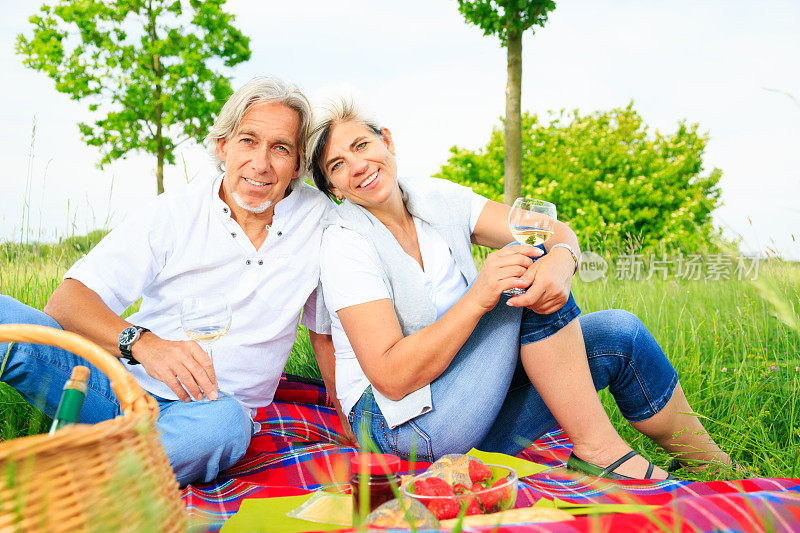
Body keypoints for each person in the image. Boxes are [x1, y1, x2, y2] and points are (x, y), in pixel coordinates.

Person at [306, 95, 734, 480]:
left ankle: (714, 466)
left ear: (386, 141)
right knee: (519, 278)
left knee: (619, 334)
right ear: (333, 188)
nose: (357, 166)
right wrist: (480, 295)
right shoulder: (345, 243)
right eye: (337, 166)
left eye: (361, 146)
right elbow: (391, 378)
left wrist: (563, 262)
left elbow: (553, 232)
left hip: (468, 396)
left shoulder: (437, 198)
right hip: (400, 425)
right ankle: (600, 452)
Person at [0, 76, 351, 486]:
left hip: (209, 412)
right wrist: (143, 343)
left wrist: (347, 420)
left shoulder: (321, 221)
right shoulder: (172, 213)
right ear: (223, 145)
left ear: (296, 165)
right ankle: (120, 469)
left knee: (224, 426)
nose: (261, 163)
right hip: (113, 388)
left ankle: (56, 486)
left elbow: (324, 331)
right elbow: (66, 303)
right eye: (248, 141)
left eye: (280, 148)